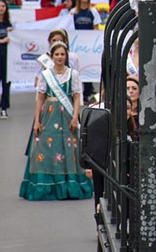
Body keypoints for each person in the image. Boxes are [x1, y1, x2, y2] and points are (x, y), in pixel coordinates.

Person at [20, 42, 93, 201]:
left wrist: (75, 117)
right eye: (57, 55)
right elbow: (40, 99)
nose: (60, 57)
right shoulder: (45, 75)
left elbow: (76, 97)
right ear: (52, 57)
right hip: (49, 114)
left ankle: (69, 185)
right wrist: (37, 121)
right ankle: (46, 186)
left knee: (68, 148)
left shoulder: (73, 74)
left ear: (66, 56)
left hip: (66, 116)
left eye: (62, 54)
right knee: (44, 148)